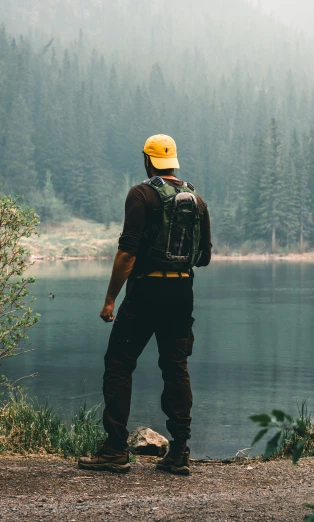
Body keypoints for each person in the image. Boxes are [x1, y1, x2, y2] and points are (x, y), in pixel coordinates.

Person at [78, 134, 212, 475]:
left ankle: (115, 450)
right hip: (182, 293)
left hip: (145, 292)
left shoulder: (140, 194)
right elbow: (205, 257)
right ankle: (180, 450)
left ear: (148, 160)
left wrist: (110, 299)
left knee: (119, 363)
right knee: (175, 366)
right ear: (174, 162)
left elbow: (127, 252)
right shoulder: (196, 200)